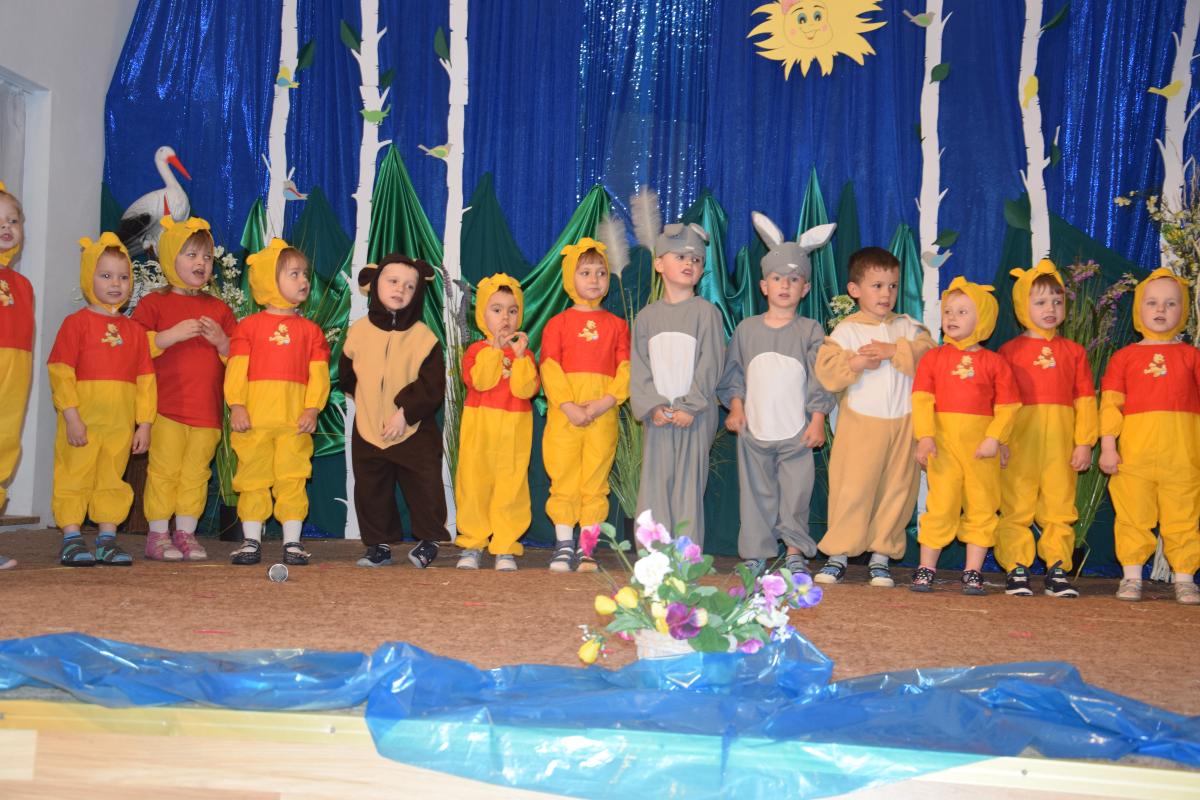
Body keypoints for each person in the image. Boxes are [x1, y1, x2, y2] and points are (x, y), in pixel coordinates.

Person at [718, 213, 836, 574]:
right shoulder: (747, 329)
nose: (785, 285)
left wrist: (817, 419)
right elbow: (734, 373)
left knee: (796, 493)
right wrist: (735, 407)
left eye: (794, 279)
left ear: (806, 289)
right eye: (777, 278)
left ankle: (796, 551)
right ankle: (756, 552)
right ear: (764, 285)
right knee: (755, 493)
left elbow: (820, 378)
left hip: (796, 433)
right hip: (755, 431)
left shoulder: (810, 330)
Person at [814, 247, 934, 587]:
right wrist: (855, 362)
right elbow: (827, 371)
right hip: (860, 427)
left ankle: (881, 557)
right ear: (854, 290)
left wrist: (894, 350)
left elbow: (931, 356)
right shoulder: (846, 331)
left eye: (892, 286)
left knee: (898, 491)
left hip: (905, 423)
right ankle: (838, 554)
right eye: (877, 286)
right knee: (852, 490)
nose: (886, 294)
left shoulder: (908, 326)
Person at [131, 217, 235, 561]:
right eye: (191, 255)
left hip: (206, 412)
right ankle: (159, 534)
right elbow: (132, 348)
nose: (201, 263)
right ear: (169, 256)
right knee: (164, 471)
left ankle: (186, 534)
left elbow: (239, 358)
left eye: (206, 257)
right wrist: (167, 337)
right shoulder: (153, 304)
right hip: (166, 408)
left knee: (196, 474)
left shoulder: (219, 309)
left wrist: (222, 342)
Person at [48, 234, 155, 566]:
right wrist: (71, 416)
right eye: (106, 275)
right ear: (88, 277)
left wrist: (144, 424)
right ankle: (71, 537)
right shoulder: (76, 324)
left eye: (123, 277)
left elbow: (145, 381)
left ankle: (107, 539)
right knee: (74, 474)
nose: (115, 284)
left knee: (112, 477)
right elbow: (61, 371)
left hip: (119, 424)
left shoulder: (135, 331)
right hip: (83, 420)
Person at [911, 277, 1020, 595]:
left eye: (962, 312)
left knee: (982, 507)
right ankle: (926, 568)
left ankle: (973, 571)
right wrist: (925, 436)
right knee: (940, 505)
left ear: (982, 318)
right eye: (948, 311)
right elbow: (922, 399)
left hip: (980, 451)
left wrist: (996, 438)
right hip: (943, 449)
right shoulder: (933, 358)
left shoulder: (995, 362)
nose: (952, 318)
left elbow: (1008, 406)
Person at [995, 260, 1097, 598]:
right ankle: (1016, 566)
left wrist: (1084, 442)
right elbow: (1000, 402)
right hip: (1021, 443)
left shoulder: (1074, 352)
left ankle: (1057, 568)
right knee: (1016, 504)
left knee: (1059, 506)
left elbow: (1086, 400)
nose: (1050, 309)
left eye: (1057, 301)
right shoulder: (1008, 352)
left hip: (1061, 446)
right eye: (1040, 302)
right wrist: (1001, 441)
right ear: (1021, 306)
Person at [340, 254, 449, 568]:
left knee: (425, 485)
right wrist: (367, 402)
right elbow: (346, 374)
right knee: (371, 488)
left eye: (409, 285)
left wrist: (405, 412)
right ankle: (378, 544)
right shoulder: (358, 333)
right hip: (369, 428)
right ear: (374, 284)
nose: (400, 289)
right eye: (393, 281)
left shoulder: (424, 339)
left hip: (413, 429)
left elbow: (432, 385)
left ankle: (429, 540)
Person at [224, 239, 329, 566]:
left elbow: (319, 375)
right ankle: (251, 541)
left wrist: (312, 407)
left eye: (305, 274)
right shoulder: (248, 327)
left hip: (293, 423)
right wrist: (237, 404)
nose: (303, 280)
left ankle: (292, 542)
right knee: (252, 477)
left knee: (293, 478)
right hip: (253, 422)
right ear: (270, 279)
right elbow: (236, 369)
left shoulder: (311, 331)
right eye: (294, 274)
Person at [1099, 268, 1200, 605]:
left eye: (1171, 303)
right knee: (1132, 516)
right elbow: (1110, 406)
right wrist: (1108, 447)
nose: (1161, 310)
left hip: (1182, 457)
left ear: (1182, 310)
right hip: (1134, 458)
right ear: (1139, 308)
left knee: (1183, 516)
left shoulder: (1191, 356)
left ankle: (1184, 578)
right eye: (1152, 302)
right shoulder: (1124, 358)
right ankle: (1131, 576)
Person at [629, 222, 724, 546]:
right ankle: (654, 555)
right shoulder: (647, 317)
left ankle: (685, 558)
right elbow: (639, 367)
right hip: (658, 416)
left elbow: (710, 363)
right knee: (655, 484)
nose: (689, 263)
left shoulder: (706, 313)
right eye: (680, 257)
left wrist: (690, 406)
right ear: (659, 264)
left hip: (694, 418)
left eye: (696, 259)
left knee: (687, 486)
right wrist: (653, 406)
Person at [540, 237, 630, 572]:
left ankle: (587, 548)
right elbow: (549, 367)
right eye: (585, 272)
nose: (594, 279)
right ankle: (564, 544)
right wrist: (569, 406)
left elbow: (626, 369)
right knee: (563, 476)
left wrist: (604, 403)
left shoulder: (618, 325)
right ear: (570, 277)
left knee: (595, 479)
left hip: (602, 415)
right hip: (565, 416)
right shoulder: (557, 324)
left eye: (601, 273)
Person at [454, 273, 539, 571]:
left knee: (511, 488)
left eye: (512, 311)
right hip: (480, 430)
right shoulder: (476, 351)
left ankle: (505, 546)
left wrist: (521, 358)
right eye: (497, 309)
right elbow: (480, 381)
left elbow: (526, 390)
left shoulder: (524, 353)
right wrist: (494, 350)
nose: (505, 317)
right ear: (482, 314)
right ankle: (473, 543)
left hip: (514, 432)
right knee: (474, 485)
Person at [0, 182, 32, 569]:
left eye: (13, 220)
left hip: (12, 382)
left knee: (4, 447)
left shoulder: (22, 285)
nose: (6, 227)